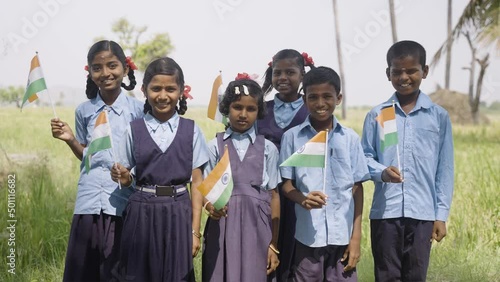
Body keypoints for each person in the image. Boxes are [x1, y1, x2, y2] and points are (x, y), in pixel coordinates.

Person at [50, 40, 143, 282]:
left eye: (112, 65)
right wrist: (71, 139)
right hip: (88, 201)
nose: (105, 73)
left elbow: (145, 157)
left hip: (121, 201)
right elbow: (87, 156)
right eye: (97, 68)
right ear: (90, 72)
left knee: (117, 271)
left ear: (124, 68)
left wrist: (129, 174)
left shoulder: (139, 110)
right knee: (85, 271)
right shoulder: (84, 110)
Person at [361, 40, 454, 281]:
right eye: (397, 71)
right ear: (388, 73)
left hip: (423, 213)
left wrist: (440, 215)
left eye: (411, 70)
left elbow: (444, 169)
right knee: (386, 275)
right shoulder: (379, 115)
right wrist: (382, 172)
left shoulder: (438, 117)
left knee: (415, 275)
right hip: (386, 214)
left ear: (424, 71)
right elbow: (365, 157)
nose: (404, 76)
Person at [110, 57, 209, 282]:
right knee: (138, 274)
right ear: (144, 90)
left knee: (177, 275)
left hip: (178, 212)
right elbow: (125, 178)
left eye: (170, 89)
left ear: (182, 91)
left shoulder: (191, 130)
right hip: (141, 213)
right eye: (156, 89)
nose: (163, 96)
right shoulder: (133, 130)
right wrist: (123, 177)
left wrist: (195, 231)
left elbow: (197, 184)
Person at [280, 66, 370, 281]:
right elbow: (286, 185)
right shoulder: (292, 137)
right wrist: (302, 199)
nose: (320, 103)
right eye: (313, 97)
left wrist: (355, 236)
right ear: (304, 100)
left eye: (327, 96)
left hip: (342, 236)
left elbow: (357, 188)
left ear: (338, 98)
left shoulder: (350, 138)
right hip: (307, 236)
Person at [202, 75, 281, 282]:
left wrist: (273, 243)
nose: (243, 114)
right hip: (223, 227)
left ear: (259, 111)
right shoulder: (213, 147)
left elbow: (274, 196)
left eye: (251, 109)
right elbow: (205, 192)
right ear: (226, 108)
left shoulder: (269, 149)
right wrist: (210, 207)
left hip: (258, 229)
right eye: (237, 107)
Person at [257, 49, 314, 280]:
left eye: (290, 72)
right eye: (277, 72)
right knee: (264, 248)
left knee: (295, 252)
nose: (282, 77)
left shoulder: (312, 108)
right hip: (265, 192)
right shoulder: (260, 109)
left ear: (302, 75)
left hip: (299, 193)